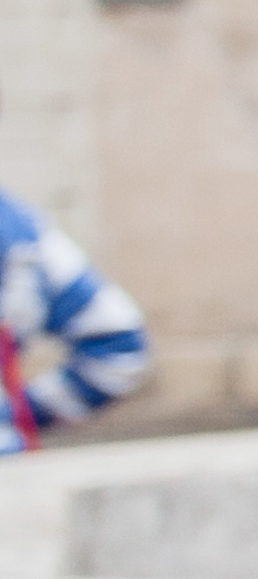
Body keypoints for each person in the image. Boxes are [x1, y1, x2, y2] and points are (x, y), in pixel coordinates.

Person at [2, 181, 151, 450]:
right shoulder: (17, 229)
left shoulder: (17, 233)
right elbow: (119, 351)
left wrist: (16, 414)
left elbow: (117, 348)